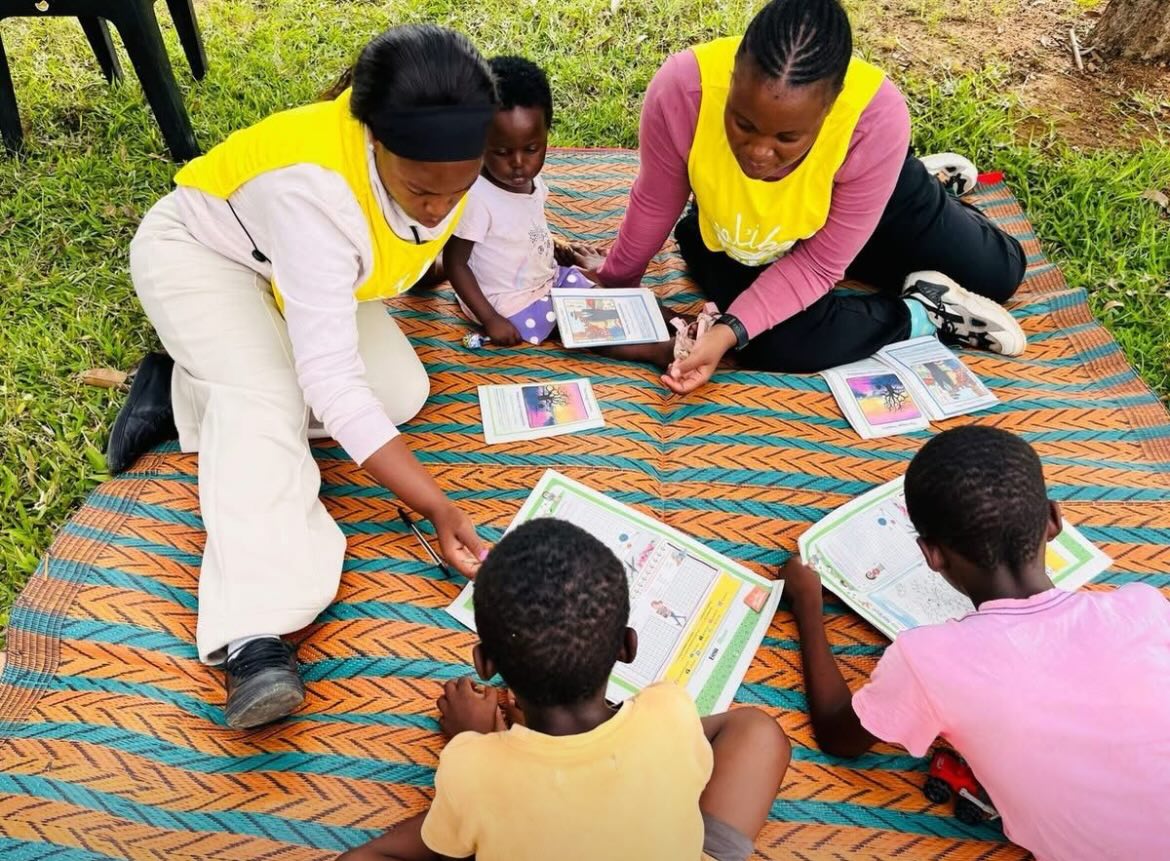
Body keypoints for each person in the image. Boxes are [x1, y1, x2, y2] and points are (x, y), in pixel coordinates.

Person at [104, 25, 497, 729]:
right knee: (270, 401)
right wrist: (439, 507)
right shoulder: (312, 190)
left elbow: (415, 250)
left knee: (402, 393)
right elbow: (333, 382)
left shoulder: (448, 157)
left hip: (290, 279)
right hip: (202, 258)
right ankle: (254, 634)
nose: (439, 206)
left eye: (457, 188)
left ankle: (184, 381)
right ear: (372, 137)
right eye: (419, 189)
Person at [592, 0, 1028, 395]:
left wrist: (726, 329)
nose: (760, 153)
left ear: (831, 106)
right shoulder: (682, 92)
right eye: (743, 124)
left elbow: (821, 264)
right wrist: (616, 282)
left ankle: (910, 187)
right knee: (773, 342)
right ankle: (923, 312)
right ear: (732, 79)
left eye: (787, 137)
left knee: (999, 272)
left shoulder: (874, 119)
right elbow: (655, 200)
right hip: (748, 231)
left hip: (865, 193)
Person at [779, 426, 1170, 860]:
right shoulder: (1144, 608)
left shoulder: (927, 659)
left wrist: (808, 606)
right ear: (1054, 521)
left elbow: (840, 734)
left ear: (932, 555)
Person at [337, 518, 791, 861]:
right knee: (757, 729)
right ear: (627, 647)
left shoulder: (471, 767)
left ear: (485, 663)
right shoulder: (669, 709)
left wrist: (474, 740)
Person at [444, 56, 601, 348]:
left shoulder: (531, 182)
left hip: (542, 280)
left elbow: (521, 228)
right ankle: (658, 349)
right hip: (506, 302)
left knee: (604, 291)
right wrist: (490, 319)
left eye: (531, 149)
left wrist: (554, 248)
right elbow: (455, 264)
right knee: (587, 324)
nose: (518, 163)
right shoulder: (477, 199)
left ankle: (678, 324)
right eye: (502, 152)